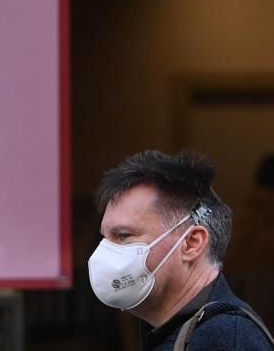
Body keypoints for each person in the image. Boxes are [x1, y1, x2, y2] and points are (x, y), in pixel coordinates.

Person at [88, 150, 274, 350]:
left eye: (124, 235)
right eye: (105, 238)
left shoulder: (224, 339)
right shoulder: (179, 332)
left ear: (192, 243)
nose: (105, 253)